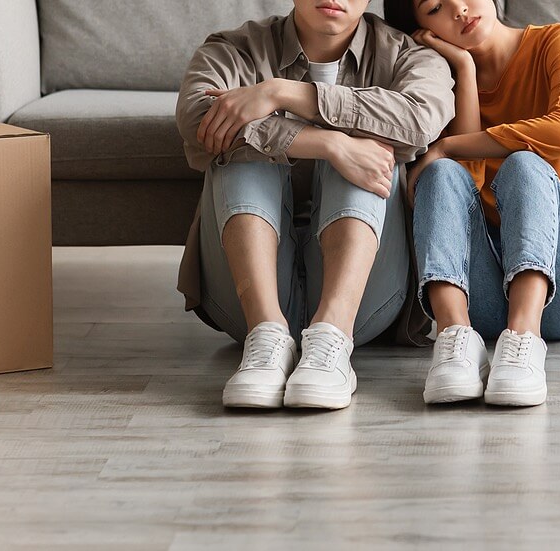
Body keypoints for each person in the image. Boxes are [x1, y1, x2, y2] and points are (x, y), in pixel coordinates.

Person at [175, 0, 455, 410]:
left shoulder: (409, 56)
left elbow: (417, 121)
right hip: (243, 300)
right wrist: (328, 143)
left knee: (372, 149)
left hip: (364, 303)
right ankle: (266, 335)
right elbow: (198, 115)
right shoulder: (234, 49)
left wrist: (281, 93)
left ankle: (331, 339)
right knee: (241, 149)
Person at [383, 0, 560, 406]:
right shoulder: (442, 79)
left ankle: (525, 339)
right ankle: (455, 341)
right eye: (435, 7)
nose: (458, 8)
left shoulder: (558, 41)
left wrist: (448, 144)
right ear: (422, 28)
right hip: (484, 297)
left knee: (524, 164)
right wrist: (465, 70)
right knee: (440, 174)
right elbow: (466, 180)